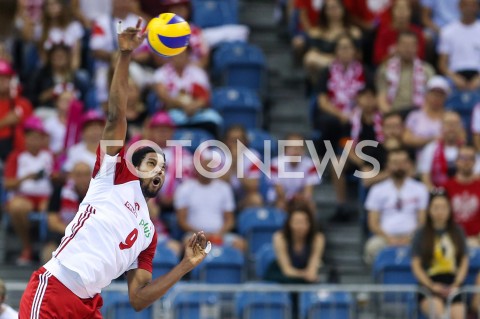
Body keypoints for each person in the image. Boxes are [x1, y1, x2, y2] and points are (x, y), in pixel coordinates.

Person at [19, 19, 209, 317]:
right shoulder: (113, 177)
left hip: (88, 305)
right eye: (150, 163)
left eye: (162, 168)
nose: (158, 171)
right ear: (132, 167)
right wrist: (125, 55)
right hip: (55, 288)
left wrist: (186, 264)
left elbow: (139, 299)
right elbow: (115, 116)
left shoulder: (149, 234)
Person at [364, 148, 428, 265]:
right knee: (372, 247)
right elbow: (373, 223)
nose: (399, 166)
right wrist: (389, 239)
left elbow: (422, 221)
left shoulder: (420, 189)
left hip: (413, 237)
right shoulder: (377, 190)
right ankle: (378, 281)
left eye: (403, 162)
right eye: (395, 163)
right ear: (387, 166)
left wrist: (408, 238)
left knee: (427, 245)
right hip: (384, 237)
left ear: (409, 164)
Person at [4, 116, 53, 265]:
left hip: (45, 196)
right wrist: (26, 178)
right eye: (31, 137)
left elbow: (58, 175)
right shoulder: (16, 156)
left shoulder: (49, 155)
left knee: (53, 207)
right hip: (24, 196)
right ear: (25, 138)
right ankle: (27, 246)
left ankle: (49, 247)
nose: (34, 141)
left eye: (38, 137)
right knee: (17, 207)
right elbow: (8, 183)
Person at [411, 190, 468, 319]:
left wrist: (457, 283)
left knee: (458, 315)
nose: (440, 212)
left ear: (449, 210)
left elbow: (464, 260)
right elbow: (416, 265)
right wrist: (431, 285)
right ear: (429, 210)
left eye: (443, 207)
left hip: (453, 283)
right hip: (429, 284)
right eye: (436, 208)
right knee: (441, 315)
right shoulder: (421, 234)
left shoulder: (458, 232)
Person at [175, 151, 246, 251]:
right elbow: (181, 220)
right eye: (202, 165)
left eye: (208, 165)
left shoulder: (224, 187)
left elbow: (230, 220)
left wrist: (219, 233)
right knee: (188, 242)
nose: (206, 168)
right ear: (196, 167)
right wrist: (201, 234)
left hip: (220, 234)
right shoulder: (185, 188)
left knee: (240, 244)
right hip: (194, 234)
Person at [40, 162, 91, 264]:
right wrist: (75, 233)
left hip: (90, 237)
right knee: (48, 252)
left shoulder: (98, 195)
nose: (83, 179)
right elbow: (53, 223)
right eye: (78, 175)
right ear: (71, 176)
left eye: (86, 175)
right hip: (62, 235)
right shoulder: (59, 191)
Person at [376, 31, 435, 114]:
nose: (408, 49)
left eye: (411, 45)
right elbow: (381, 97)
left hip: (418, 113)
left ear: (417, 47)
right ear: (397, 46)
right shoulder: (386, 68)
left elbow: (431, 99)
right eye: (404, 45)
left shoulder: (427, 70)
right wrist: (390, 115)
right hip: (393, 113)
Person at [267, 200, 325, 283]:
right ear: (289, 223)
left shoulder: (318, 238)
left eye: (303, 222)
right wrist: (304, 274)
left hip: (306, 279)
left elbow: (312, 270)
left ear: (310, 224)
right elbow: (287, 270)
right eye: (296, 222)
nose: (300, 227)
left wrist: (309, 274)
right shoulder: (280, 237)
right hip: (282, 277)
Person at [270, 133, 321, 213]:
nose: (296, 151)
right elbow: (279, 191)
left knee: (310, 205)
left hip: (301, 199)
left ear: (303, 150)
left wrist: (300, 199)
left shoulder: (311, 165)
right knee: (281, 204)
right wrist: (291, 198)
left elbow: (308, 192)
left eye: (299, 148)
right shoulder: (275, 164)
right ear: (285, 149)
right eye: (292, 148)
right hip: (280, 199)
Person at [438, 0, 480, 91]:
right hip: (454, 76)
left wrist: (478, 79)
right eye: (466, 5)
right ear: (459, 7)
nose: (469, 8)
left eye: (472, 5)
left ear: (477, 8)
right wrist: (455, 78)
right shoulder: (447, 31)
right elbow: (442, 64)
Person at [418, 111, 465, 190]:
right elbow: (425, 177)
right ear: (441, 127)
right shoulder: (431, 148)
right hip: (438, 193)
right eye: (448, 124)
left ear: (460, 127)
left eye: (455, 124)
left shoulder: (467, 148)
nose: (451, 127)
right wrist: (435, 194)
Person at [444, 145, 480, 247]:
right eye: (463, 158)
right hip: (451, 239)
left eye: (470, 158)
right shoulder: (446, 187)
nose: (466, 162)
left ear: (475, 162)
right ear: (456, 161)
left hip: (477, 240)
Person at [403, 76, 449, 151]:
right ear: (427, 94)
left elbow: (461, 137)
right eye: (434, 94)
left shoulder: (450, 117)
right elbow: (406, 139)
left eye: (440, 95)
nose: (436, 98)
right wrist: (431, 140)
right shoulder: (415, 116)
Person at [0, 59, 33, 162]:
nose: (1, 82)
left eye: (5, 78)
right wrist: (4, 122)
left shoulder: (23, 104)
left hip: (20, 155)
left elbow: (34, 130)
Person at [373, 0, 425, 66]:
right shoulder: (384, 33)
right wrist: (395, 53)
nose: (401, 13)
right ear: (392, 11)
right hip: (388, 68)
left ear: (410, 12)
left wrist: (406, 52)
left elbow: (421, 57)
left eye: (405, 9)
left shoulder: (417, 32)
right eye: (398, 9)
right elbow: (377, 59)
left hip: (413, 69)